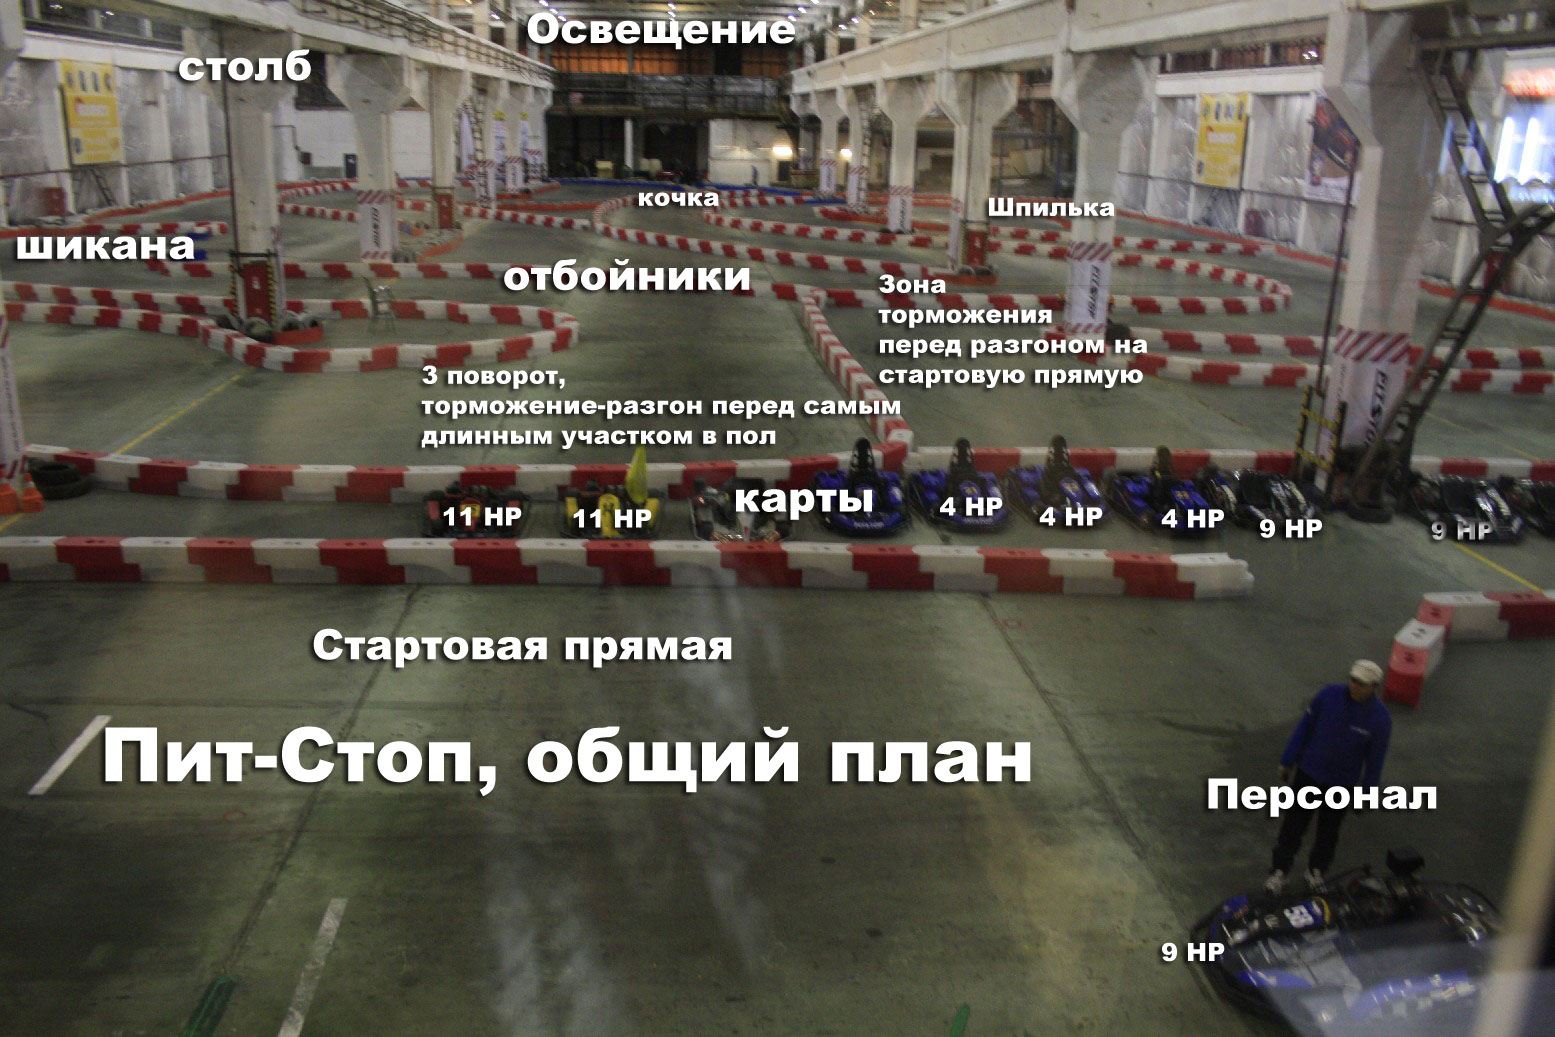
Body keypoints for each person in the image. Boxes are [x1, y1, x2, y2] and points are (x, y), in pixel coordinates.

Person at [1265, 660, 1392, 893]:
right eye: (1353, 680)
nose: (1354, 686)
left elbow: (1375, 761)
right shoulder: (1328, 696)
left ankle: (1316, 871)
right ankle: (1279, 871)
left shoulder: (1380, 719)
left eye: (1361, 684)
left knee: (1328, 832)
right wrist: (1287, 760)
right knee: (1293, 826)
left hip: (1341, 784)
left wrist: (1367, 794)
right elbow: (1304, 728)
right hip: (1309, 774)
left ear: (1374, 686)